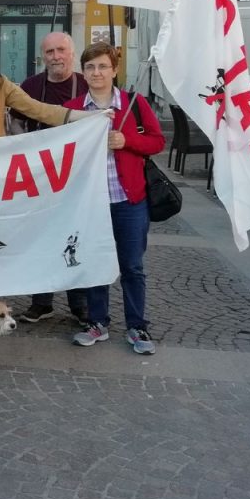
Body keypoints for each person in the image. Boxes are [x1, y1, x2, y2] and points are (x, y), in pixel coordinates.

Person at [66, 43, 166, 355]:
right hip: (91, 202)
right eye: (91, 67)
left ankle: (137, 325)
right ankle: (98, 322)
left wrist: (127, 140)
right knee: (96, 262)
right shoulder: (72, 108)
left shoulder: (134, 104)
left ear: (114, 70)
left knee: (132, 266)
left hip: (128, 199)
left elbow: (157, 141)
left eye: (102, 67)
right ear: (83, 72)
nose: (96, 73)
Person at [17, 31, 90, 326]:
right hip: (40, 177)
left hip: (77, 177)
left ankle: (80, 304)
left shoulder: (86, 86)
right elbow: (16, 125)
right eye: (49, 52)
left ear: (72, 54)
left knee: (75, 238)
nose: (56, 56)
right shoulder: (31, 86)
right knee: (40, 239)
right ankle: (41, 302)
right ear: (42, 56)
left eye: (61, 50)